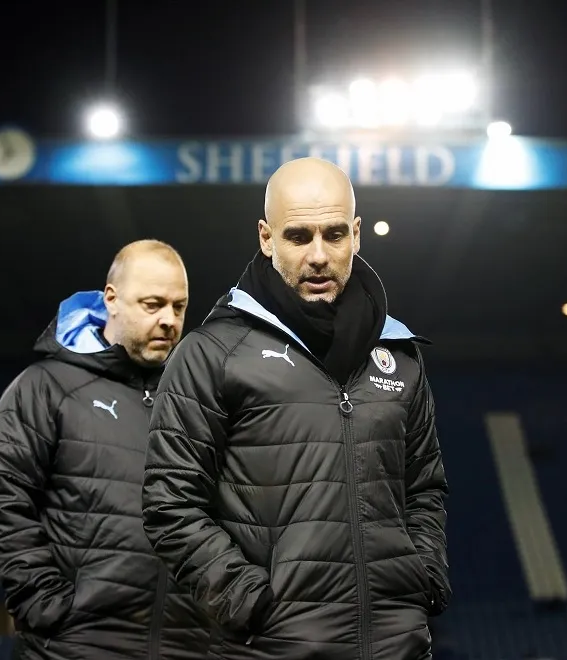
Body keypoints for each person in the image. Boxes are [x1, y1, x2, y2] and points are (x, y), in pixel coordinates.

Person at [141, 158, 450, 660]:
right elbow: (169, 503)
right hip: (271, 647)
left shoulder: (399, 354)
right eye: (299, 236)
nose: (319, 255)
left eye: (334, 235)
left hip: (399, 645)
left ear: (356, 234)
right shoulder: (212, 353)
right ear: (267, 239)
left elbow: (424, 489)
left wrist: (423, 579)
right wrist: (249, 603)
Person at [0, 239, 210, 660]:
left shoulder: (200, 403)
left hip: (186, 647)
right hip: (74, 647)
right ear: (111, 299)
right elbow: (2, 505)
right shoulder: (46, 387)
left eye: (179, 307)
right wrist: (50, 610)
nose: (168, 320)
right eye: (153, 304)